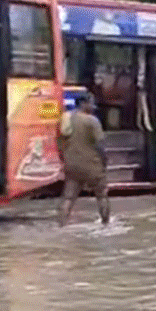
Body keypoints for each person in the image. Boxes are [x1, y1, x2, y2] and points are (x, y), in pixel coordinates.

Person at [57, 91, 110, 226]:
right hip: (92, 165)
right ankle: (106, 225)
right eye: (91, 103)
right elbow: (100, 145)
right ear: (84, 104)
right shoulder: (92, 121)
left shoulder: (66, 119)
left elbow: (59, 143)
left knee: (68, 197)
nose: (93, 106)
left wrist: (65, 159)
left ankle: (61, 226)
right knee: (102, 196)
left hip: (72, 165)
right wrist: (104, 162)